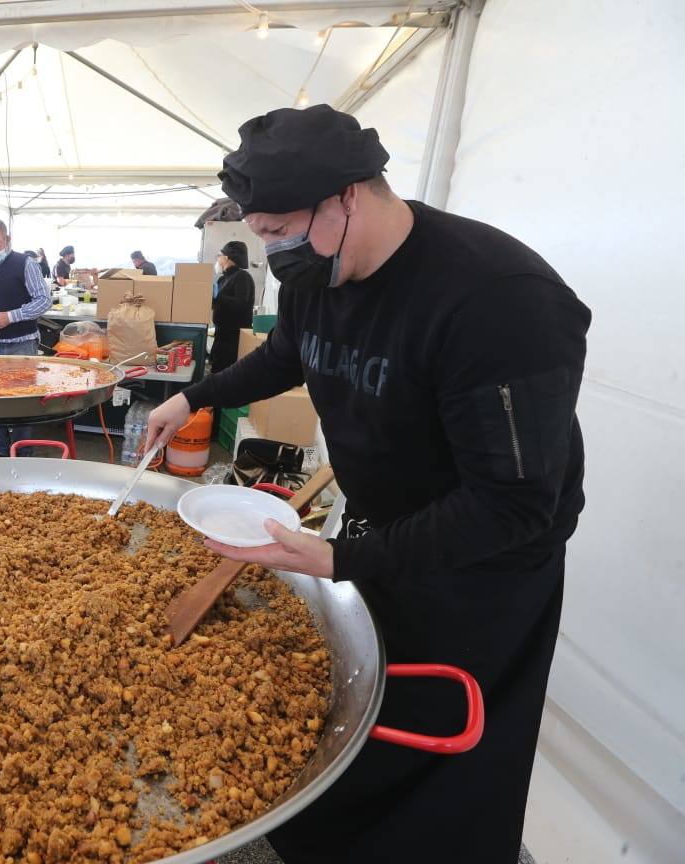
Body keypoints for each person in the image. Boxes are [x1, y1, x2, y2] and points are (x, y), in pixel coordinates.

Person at [143, 105, 590, 864]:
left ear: (348, 195)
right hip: (379, 528)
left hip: (482, 568)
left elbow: (512, 504)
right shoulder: (321, 268)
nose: (276, 251)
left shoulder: (498, 300)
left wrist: (339, 562)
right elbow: (290, 353)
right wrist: (197, 396)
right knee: (362, 711)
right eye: (264, 235)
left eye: (284, 229)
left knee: (447, 764)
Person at [0, 218, 52, 456]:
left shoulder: (25, 263)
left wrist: (12, 316)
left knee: (21, 403)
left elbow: (44, 300)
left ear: (7, 240)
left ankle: (22, 455)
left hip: (23, 344)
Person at [208, 240, 255, 373]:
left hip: (233, 340)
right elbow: (218, 302)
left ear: (227, 257)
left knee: (226, 375)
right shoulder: (222, 279)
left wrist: (217, 299)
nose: (217, 259)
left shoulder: (242, 276)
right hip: (220, 336)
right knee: (216, 371)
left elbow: (241, 304)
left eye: (219, 255)